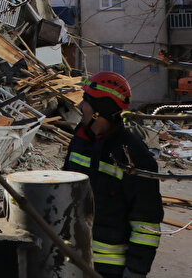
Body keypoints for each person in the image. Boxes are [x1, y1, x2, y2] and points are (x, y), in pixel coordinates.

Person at [63, 71, 163, 277]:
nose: (80, 106)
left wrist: (135, 271)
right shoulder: (80, 140)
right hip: (71, 259)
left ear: (100, 111)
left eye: (86, 101)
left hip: (110, 270)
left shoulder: (135, 157)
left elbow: (146, 224)